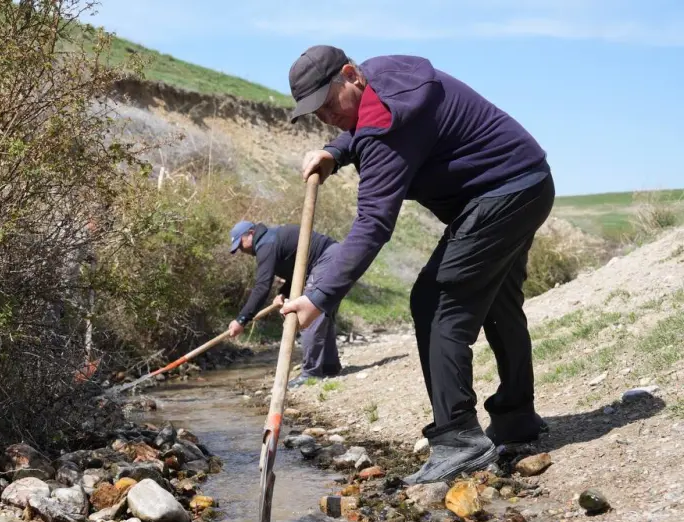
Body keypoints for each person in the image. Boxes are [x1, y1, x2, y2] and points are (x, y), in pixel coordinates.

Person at [280, 45, 554, 485]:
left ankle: (458, 439)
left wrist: (320, 296)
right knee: (499, 305)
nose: (325, 116)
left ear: (350, 74)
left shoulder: (386, 126)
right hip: (529, 182)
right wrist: (335, 151)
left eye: (328, 104)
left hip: (502, 195)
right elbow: (360, 122)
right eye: (314, 113)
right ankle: (516, 419)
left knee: (435, 300)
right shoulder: (384, 77)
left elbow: (372, 224)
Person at [227, 219, 342, 388]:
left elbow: (262, 287)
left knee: (310, 318)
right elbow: (299, 270)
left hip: (327, 260)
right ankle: (330, 367)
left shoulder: (266, 244)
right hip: (334, 258)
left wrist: (242, 320)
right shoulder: (272, 239)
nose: (242, 250)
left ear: (251, 234)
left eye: (241, 244)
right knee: (323, 314)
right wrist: (283, 293)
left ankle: (311, 373)